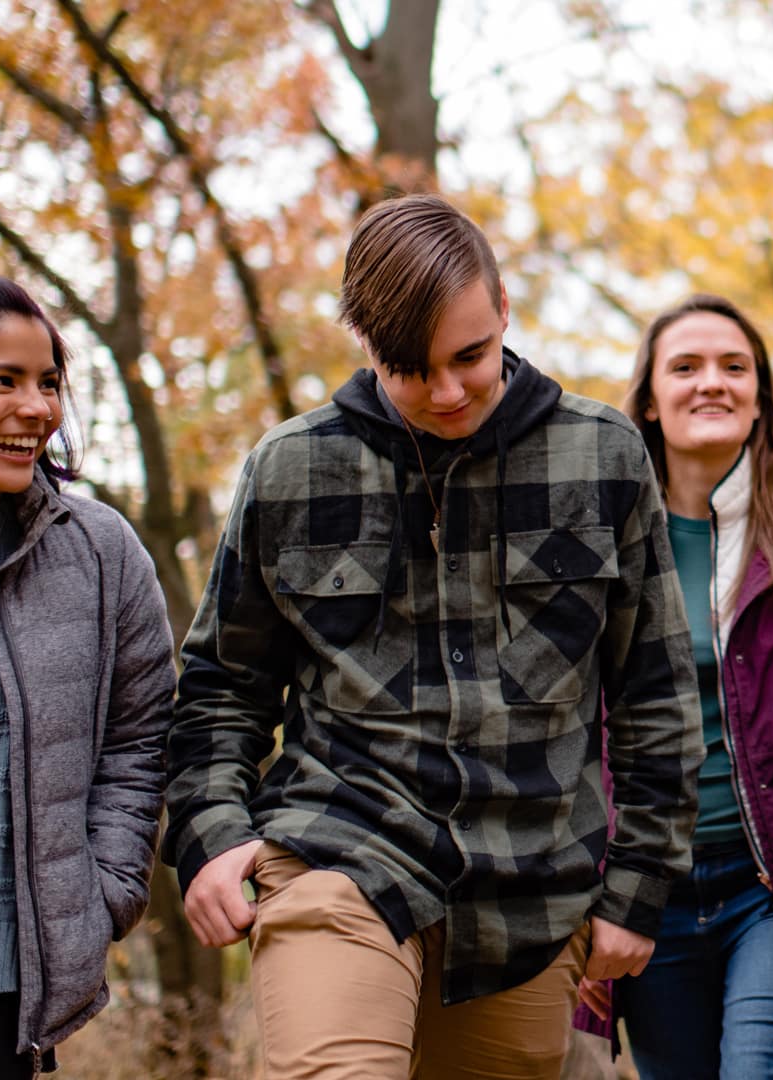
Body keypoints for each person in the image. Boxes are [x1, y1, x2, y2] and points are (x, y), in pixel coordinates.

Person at [162, 193, 704, 1080]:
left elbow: (653, 694)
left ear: (503, 311)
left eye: (470, 356)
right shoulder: (290, 469)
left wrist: (638, 890)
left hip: (528, 893)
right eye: (412, 369)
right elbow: (223, 683)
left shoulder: (603, 457)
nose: (447, 392)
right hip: (338, 848)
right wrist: (213, 833)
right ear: (364, 342)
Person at [0, 264, 171, 1078]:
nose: (39, 409)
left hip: (1, 989)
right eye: (2, 381)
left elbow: (141, 734)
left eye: (48, 382)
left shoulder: (96, 553)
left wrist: (105, 887)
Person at [583, 294, 773, 1079]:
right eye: (686, 367)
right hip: (640, 892)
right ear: (650, 400)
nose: (712, 383)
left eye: (736, 367)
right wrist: (582, 900)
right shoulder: (598, 537)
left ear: (761, 398)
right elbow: (564, 731)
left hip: (769, 886)